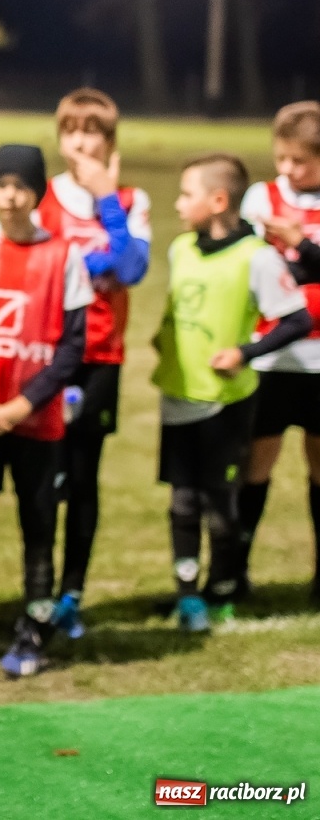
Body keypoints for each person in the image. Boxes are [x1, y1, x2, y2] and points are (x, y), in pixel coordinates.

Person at [0, 145, 93, 679]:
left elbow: (73, 347)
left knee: (38, 524)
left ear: (38, 192)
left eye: (21, 186)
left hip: (35, 422)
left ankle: (33, 630)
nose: (10, 196)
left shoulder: (64, 256)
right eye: (1, 184)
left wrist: (22, 405)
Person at [154, 154, 310, 631]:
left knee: (220, 503)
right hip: (178, 395)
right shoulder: (181, 249)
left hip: (226, 403)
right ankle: (187, 596)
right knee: (182, 501)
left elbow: (298, 318)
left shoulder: (256, 257)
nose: (178, 204)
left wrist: (245, 351)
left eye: (187, 194)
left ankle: (222, 585)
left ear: (218, 200)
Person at [35, 88, 151, 638]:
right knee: (45, 476)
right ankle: (37, 590)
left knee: (84, 479)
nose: (80, 141)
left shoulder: (130, 199)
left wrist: (107, 200)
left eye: (92, 132)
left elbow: (130, 269)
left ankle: (71, 595)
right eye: (71, 130)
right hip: (52, 354)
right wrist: (90, 257)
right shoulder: (45, 196)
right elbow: (42, 263)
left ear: (109, 141)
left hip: (101, 355)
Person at [238, 101, 320, 604]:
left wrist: (302, 247)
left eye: (301, 162)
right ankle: (236, 567)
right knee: (256, 464)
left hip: (319, 360)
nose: (287, 170)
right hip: (271, 357)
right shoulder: (260, 197)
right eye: (282, 158)